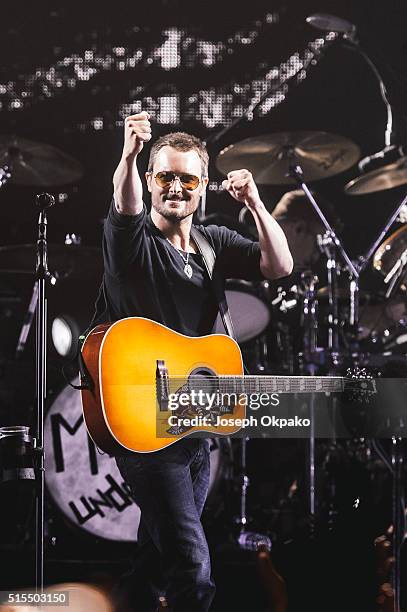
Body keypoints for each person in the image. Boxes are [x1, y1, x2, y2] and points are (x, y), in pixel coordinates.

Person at [101, 111, 293, 612]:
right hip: (144, 422)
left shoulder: (214, 242)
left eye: (188, 179)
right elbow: (124, 205)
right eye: (165, 176)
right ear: (150, 180)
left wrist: (254, 202)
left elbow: (280, 265)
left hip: (195, 423)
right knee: (191, 566)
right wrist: (128, 156)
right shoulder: (133, 242)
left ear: (202, 185)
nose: (176, 188)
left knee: (152, 558)